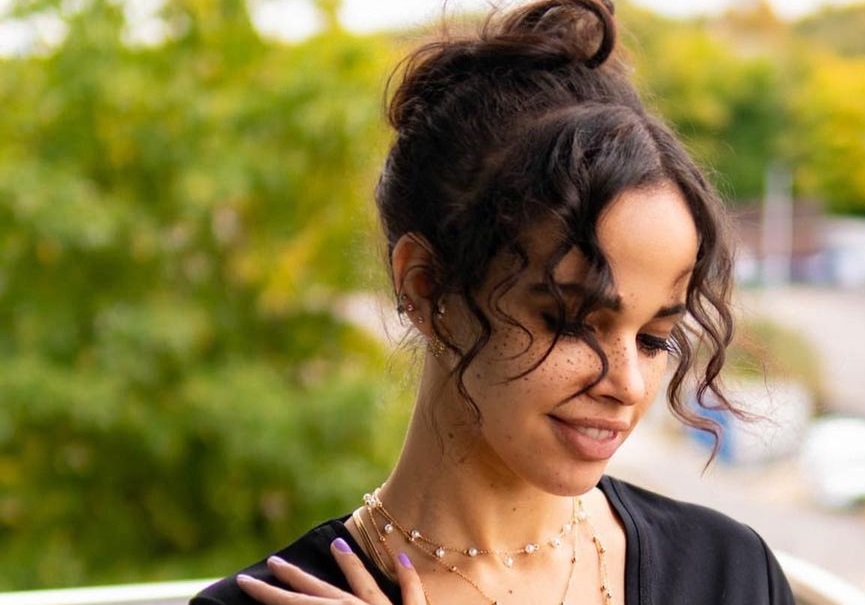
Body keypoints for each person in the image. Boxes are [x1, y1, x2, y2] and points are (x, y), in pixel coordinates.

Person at [192, 0, 794, 603]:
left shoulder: (730, 571)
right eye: (571, 323)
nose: (628, 385)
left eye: (653, 338)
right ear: (426, 286)